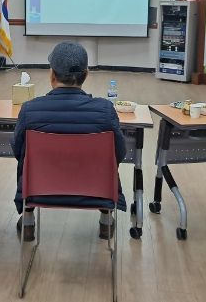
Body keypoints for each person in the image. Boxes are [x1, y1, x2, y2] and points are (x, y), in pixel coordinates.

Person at [11, 41, 127, 241]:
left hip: (39, 191)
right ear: (86, 75)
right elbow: (119, 152)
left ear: (52, 75)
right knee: (104, 164)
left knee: (27, 161)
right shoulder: (105, 111)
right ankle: (106, 221)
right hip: (96, 192)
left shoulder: (30, 110)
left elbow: (17, 149)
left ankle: (28, 221)